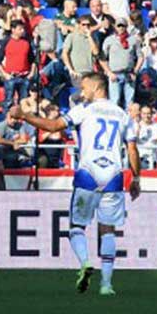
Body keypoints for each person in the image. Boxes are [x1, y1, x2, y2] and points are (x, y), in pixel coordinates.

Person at [12, 73, 140, 296]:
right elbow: (131, 149)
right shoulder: (123, 114)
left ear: (96, 87)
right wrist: (136, 178)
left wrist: (24, 116)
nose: (81, 93)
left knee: (77, 226)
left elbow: (52, 126)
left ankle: (85, 262)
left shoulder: (84, 109)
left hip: (88, 173)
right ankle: (106, 285)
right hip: (113, 176)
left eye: (84, 88)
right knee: (108, 229)